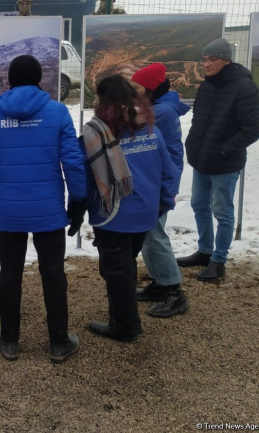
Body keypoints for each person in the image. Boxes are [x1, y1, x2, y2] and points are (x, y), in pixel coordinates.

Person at [0, 55, 86, 363]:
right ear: (40, 80)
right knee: (53, 274)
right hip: (49, 212)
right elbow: (73, 162)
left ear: (9, 80)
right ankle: (59, 343)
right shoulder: (58, 112)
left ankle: (9, 340)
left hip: (9, 213)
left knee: (10, 274)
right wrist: (78, 201)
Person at [82, 75, 178, 342]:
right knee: (123, 267)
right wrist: (164, 202)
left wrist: (81, 208)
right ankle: (121, 318)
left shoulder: (97, 135)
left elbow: (85, 180)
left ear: (103, 101)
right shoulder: (151, 130)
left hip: (114, 216)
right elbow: (167, 171)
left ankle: (124, 327)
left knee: (116, 272)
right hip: (146, 214)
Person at [178, 38, 259, 282]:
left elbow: (252, 130)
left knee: (223, 212)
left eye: (212, 59)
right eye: (204, 59)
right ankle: (205, 251)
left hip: (225, 163)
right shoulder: (207, 86)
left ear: (227, 60)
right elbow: (199, 121)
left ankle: (219, 261)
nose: (207, 64)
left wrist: (225, 150)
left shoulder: (245, 88)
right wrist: (193, 146)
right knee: (199, 205)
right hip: (201, 160)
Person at [130, 63, 190, 317]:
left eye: (138, 87)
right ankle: (159, 283)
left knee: (154, 235)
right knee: (149, 234)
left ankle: (174, 292)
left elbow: (133, 130)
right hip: (154, 181)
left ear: (151, 88)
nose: (135, 93)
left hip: (157, 183)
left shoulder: (162, 111)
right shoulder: (160, 107)